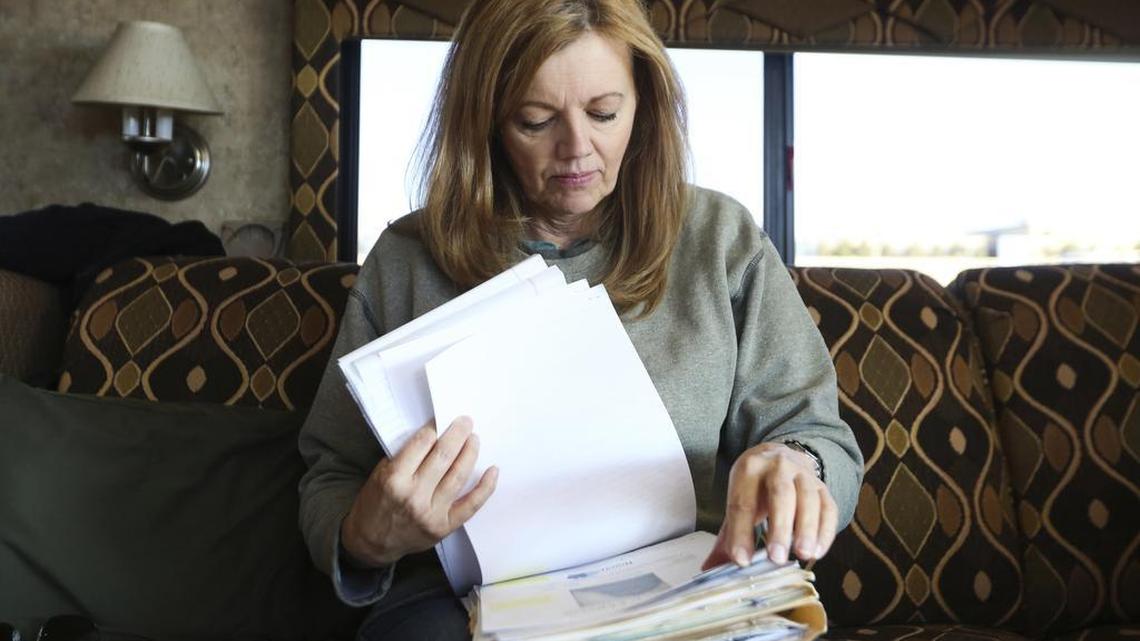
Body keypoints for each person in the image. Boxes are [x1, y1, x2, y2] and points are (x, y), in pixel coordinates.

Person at [298, 0, 864, 638]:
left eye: (604, 113)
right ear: (485, 122)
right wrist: (366, 535)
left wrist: (796, 466)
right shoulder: (407, 259)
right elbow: (330, 476)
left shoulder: (721, 239)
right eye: (535, 121)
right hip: (460, 604)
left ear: (643, 104)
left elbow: (822, 440)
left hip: (687, 585)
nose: (576, 149)